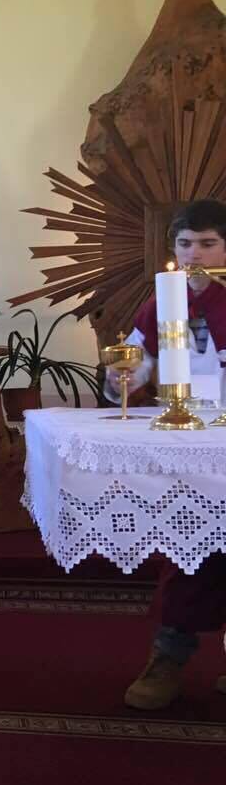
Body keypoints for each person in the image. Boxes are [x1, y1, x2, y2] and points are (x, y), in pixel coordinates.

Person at [110, 199, 226, 709]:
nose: (195, 254)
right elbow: (136, 362)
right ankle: (168, 657)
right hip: (187, 442)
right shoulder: (164, 299)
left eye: (208, 243)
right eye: (185, 244)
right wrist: (124, 377)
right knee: (189, 549)